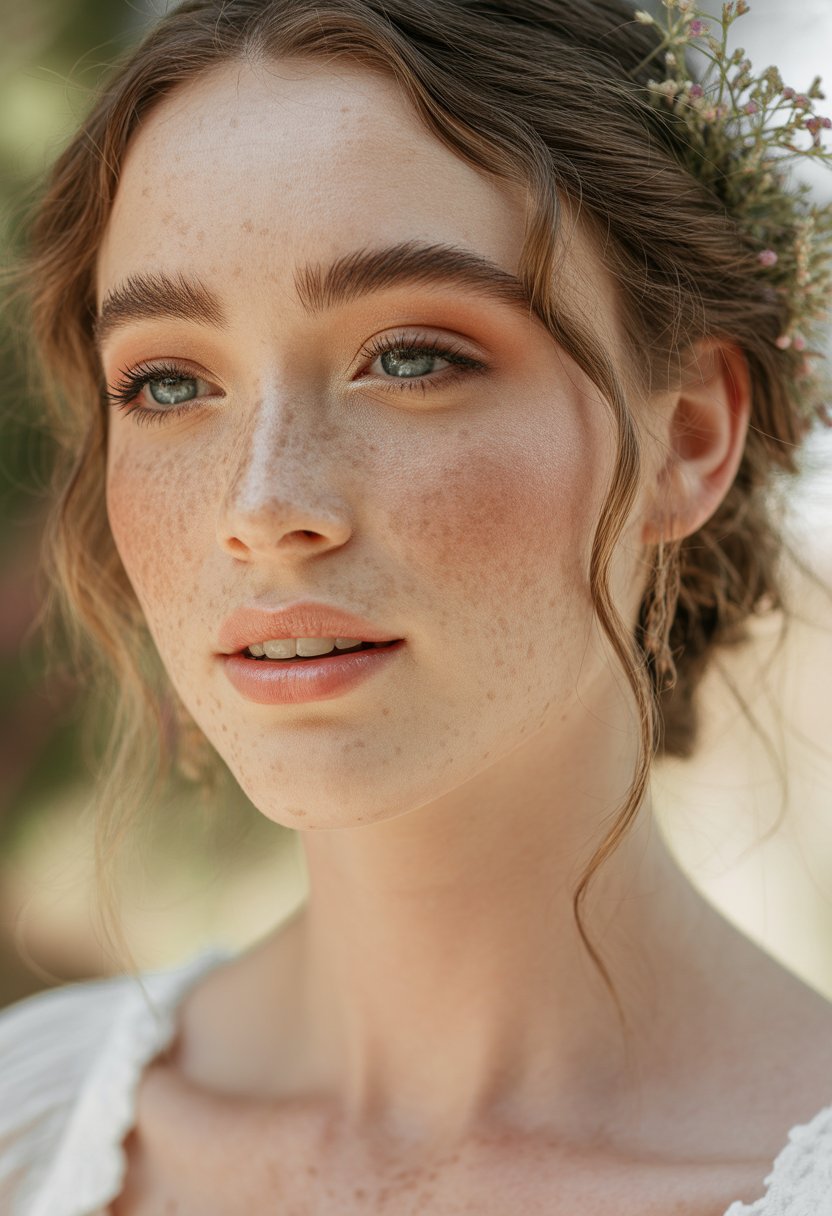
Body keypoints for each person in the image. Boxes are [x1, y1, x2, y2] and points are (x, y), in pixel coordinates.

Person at [2, 0, 832, 1212]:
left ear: (687, 438)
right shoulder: (27, 1127)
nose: (264, 504)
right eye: (170, 381)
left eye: (410, 357)